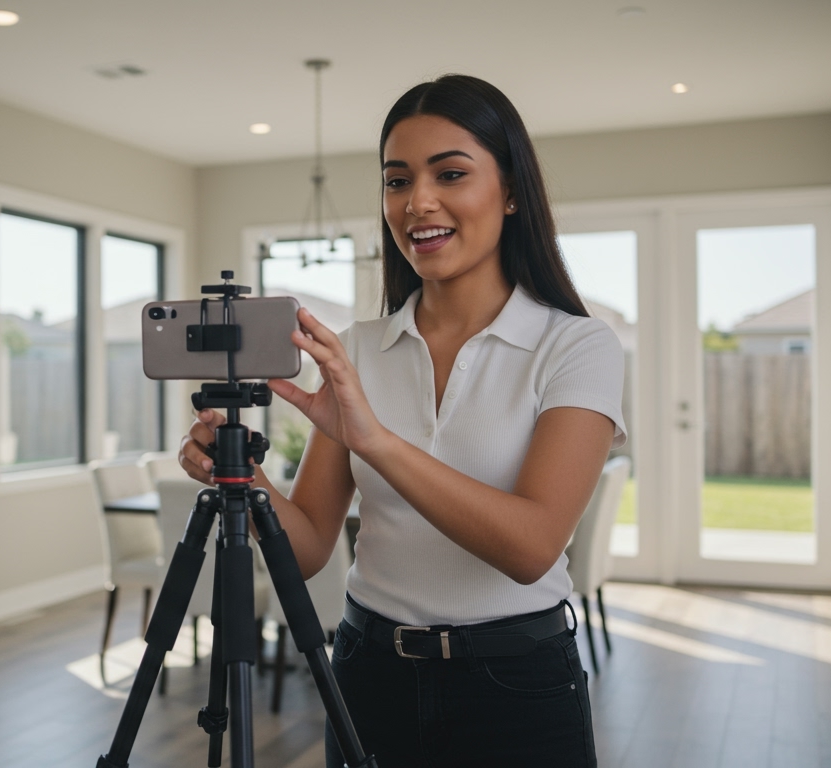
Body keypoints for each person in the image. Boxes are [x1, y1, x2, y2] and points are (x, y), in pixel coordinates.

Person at [179, 74, 624, 767]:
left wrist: (374, 441)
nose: (417, 202)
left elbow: (532, 546)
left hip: (517, 682)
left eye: (450, 173)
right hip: (368, 673)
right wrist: (242, 472)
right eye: (396, 181)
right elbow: (308, 550)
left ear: (510, 192)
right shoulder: (359, 349)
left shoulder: (575, 346)